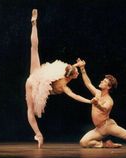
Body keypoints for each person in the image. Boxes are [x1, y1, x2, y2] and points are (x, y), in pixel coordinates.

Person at [25, 9, 92, 148]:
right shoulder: (63, 86)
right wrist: (89, 101)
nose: (77, 74)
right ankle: (38, 134)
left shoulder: (63, 72)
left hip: (37, 75)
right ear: (72, 76)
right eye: (77, 73)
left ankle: (34, 24)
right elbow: (75, 96)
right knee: (31, 110)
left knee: (34, 49)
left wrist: (78, 65)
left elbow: (70, 68)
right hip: (33, 83)